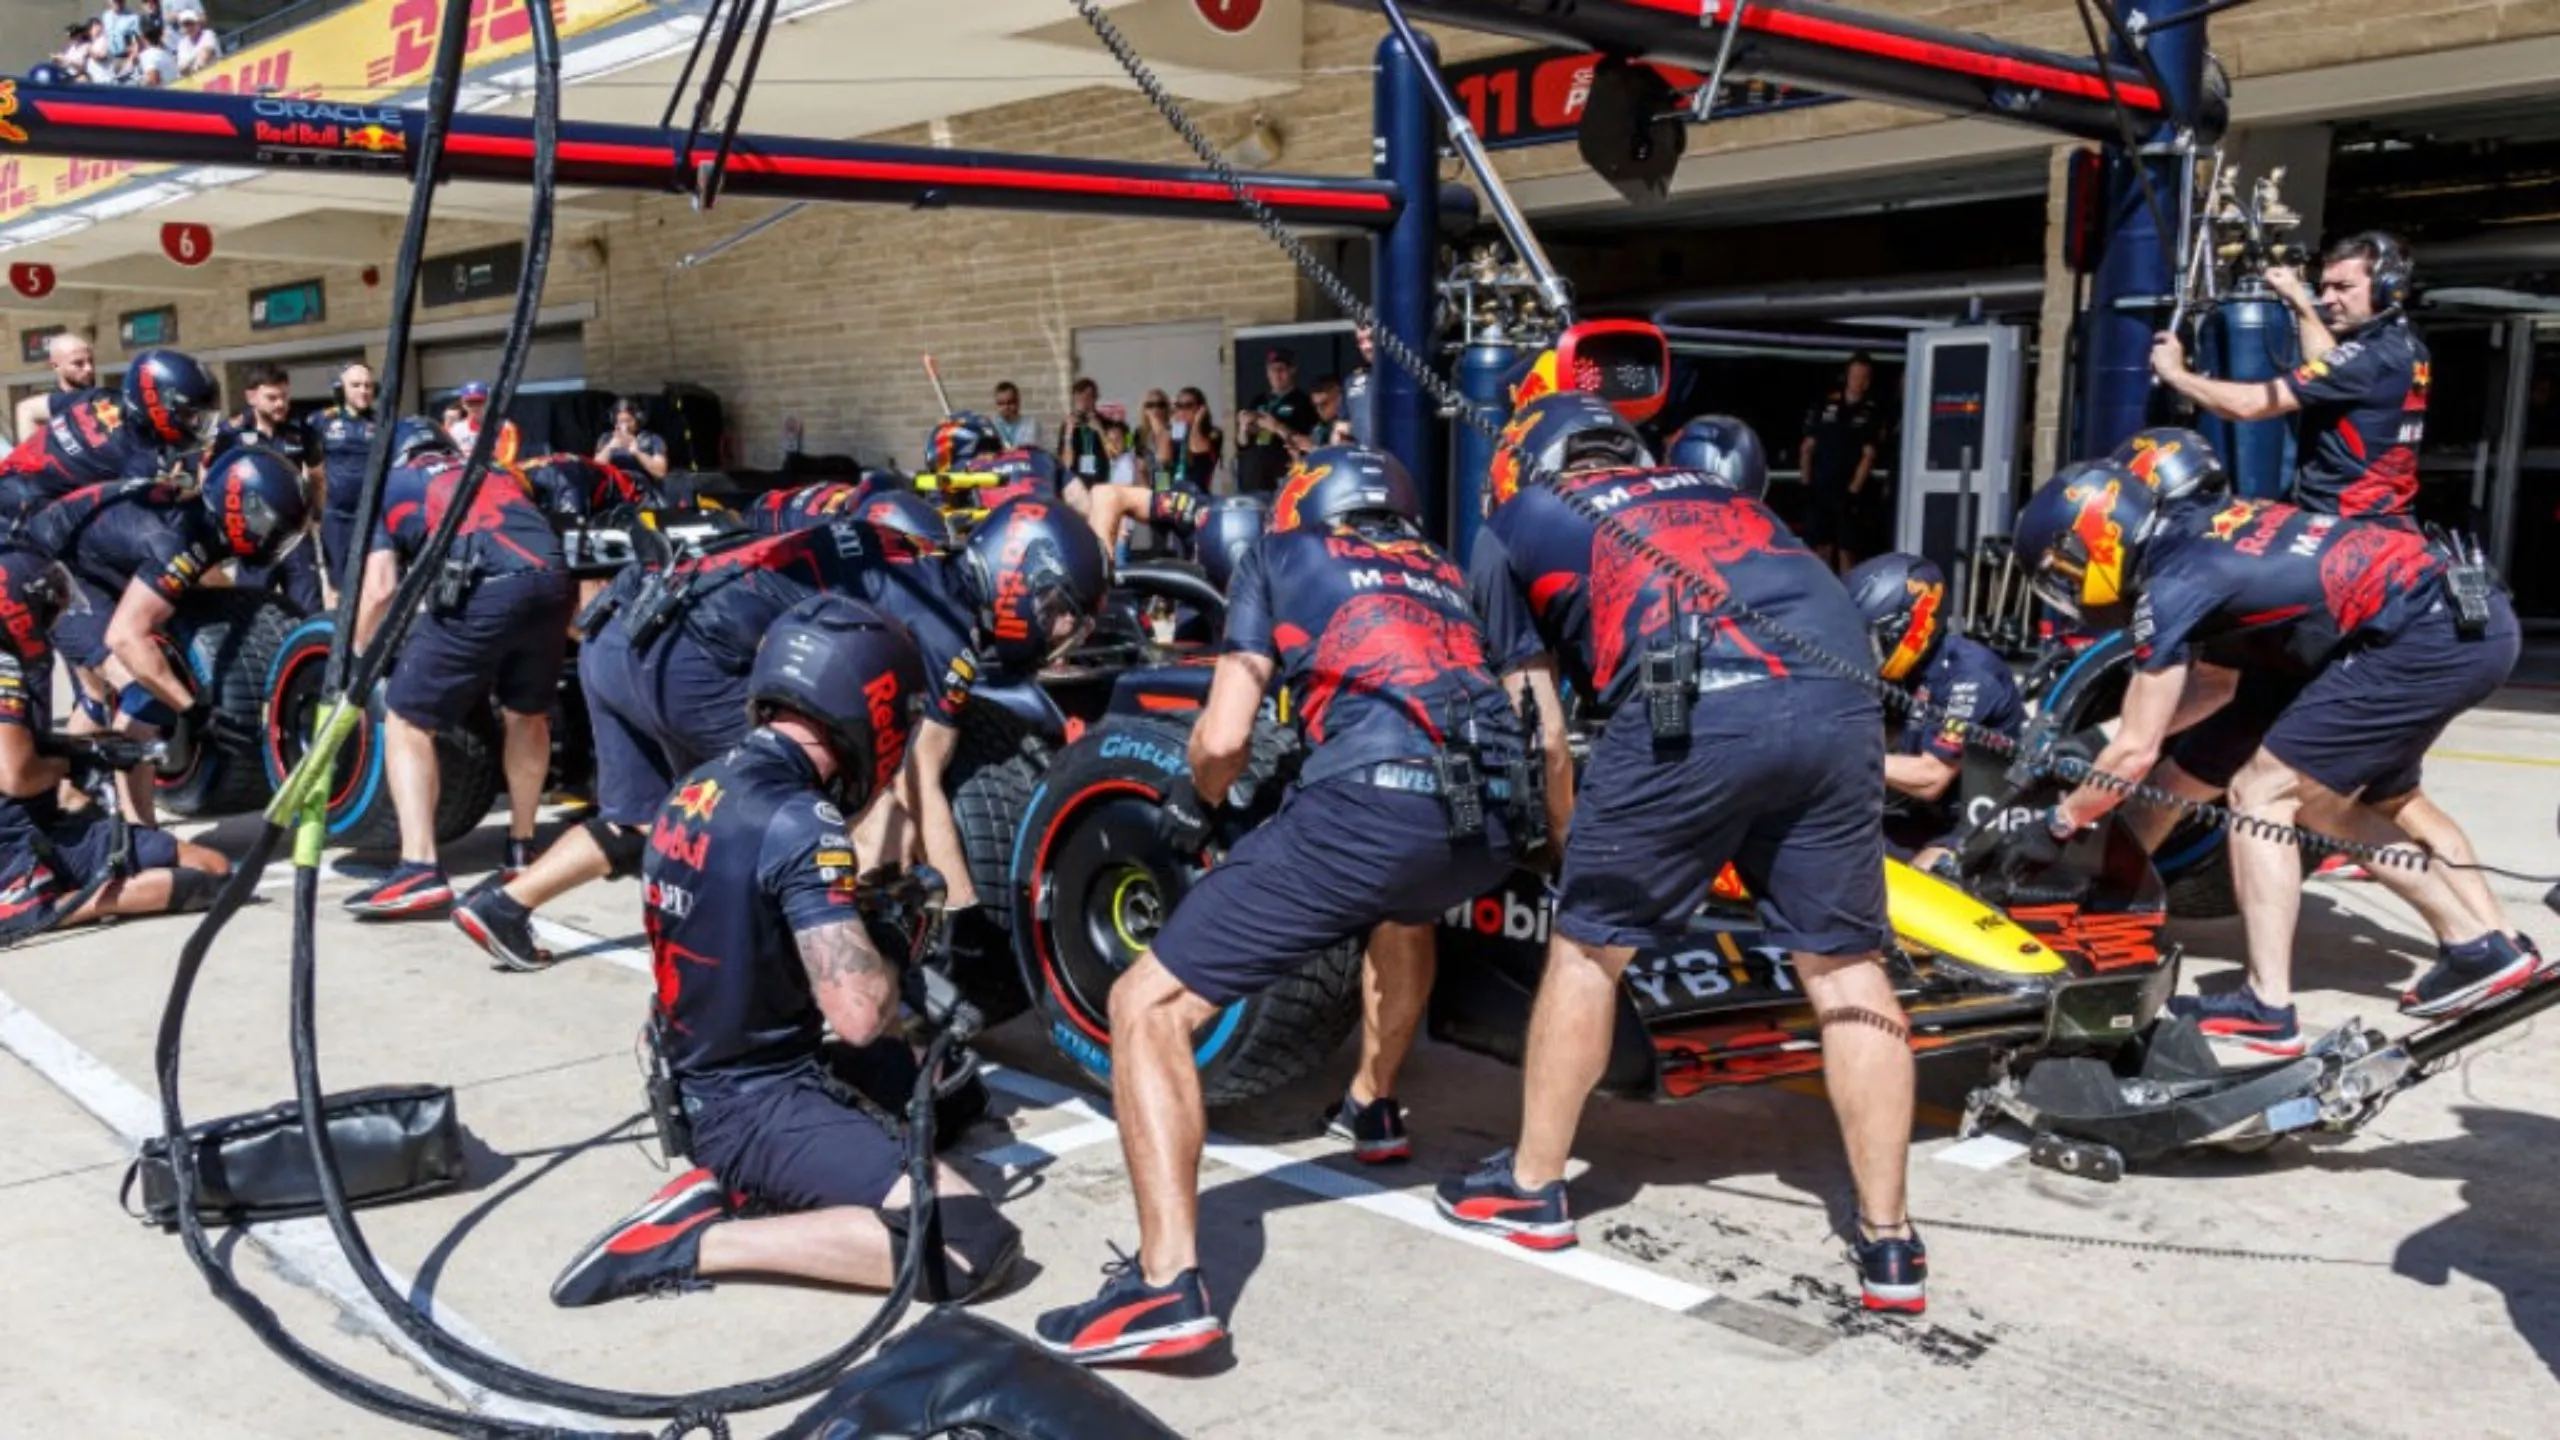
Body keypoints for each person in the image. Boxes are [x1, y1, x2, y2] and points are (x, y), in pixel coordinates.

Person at [1441, 393, 1925, 1314]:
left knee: (1588, 949)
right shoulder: (1727, 497)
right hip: (1840, 699)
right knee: (1848, 967)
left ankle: (1534, 1186)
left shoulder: (1515, 520)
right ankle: (1891, 1242)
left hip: (1692, 701)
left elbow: (1540, 722)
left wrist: (1558, 843)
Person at [1036, 448, 1521, 1364]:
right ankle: (1373, 1107)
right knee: (1400, 906)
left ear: (1305, 504)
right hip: (1489, 825)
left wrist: (1197, 800)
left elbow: (1222, 738)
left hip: (1377, 805)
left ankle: (1163, 1286)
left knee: (1144, 1005)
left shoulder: (1277, 554)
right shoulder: (1444, 570)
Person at [547, 595, 1020, 1308]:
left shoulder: (700, 785)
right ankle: (696, 1237)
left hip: (703, 1071)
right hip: (755, 1102)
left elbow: (743, 919)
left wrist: (860, 918)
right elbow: (858, 1015)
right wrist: (891, 950)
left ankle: (757, 1181)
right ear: (872, 708)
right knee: (970, 1243)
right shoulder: (805, 822)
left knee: (953, 1090)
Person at [451, 499, 1108, 976]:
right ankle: (828, 970)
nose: (1054, 631)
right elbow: (916, 783)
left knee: (648, 820)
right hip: (689, 659)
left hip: (620, 632)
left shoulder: (903, 550)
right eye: (1055, 611)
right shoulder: (946, 623)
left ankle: (506, 904)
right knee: (810, 814)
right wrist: (968, 922)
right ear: (1021, 576)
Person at [2013, 464, 2534, 1057]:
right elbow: (2213, 688)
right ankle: (2480, 946)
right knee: (2326, 808)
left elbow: (2134, 752)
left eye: (2065, 573)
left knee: (2260, 795)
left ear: (2093, 545)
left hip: (2425, 635)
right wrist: (2082, 745)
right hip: (2458, 620)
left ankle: (2267, 1004)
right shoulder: (2201, 528)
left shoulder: (2173, 584)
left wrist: (2059, 823)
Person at [341, 421, 572, 917]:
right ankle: (520, 849)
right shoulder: (493, 469)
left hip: (486, 583)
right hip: (553, 579)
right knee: (525, 713)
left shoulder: (392, 484)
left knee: (407, 719)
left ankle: (419, 868)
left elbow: (380, 588)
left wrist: (358, 659)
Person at [29, 447, 308, 830]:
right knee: (145, 698)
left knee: (96, 702)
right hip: (50, 568)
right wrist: (193, 710)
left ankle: (57, 809)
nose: (273, 538)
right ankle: (139, 830)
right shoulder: (175, 538)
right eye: (269, 525)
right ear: (239, 504)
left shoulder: (200, 524)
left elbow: (199, 582)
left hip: (80, 558)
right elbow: (126, 636)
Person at [0, 547, 229, 934]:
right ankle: (46, 906)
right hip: (16, 844)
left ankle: (41, 897)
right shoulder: (4, 666)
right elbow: (16, 775)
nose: (54, 616)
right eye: (48, 606)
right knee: (206, 878)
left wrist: (86, 749)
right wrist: (73, 764)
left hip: (39, 833)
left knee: (207, 871)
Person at [2151, 232, 2427, 525]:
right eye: (2325, 287)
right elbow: (2329, 366)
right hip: (2386, 519)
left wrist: (2176, 374)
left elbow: (2251, 405)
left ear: (2387, 289)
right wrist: (2298, 302)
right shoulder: (2407, 347)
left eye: (2343, 287)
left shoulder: (2369, 359)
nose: (2328, 299)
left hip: (2345, 526)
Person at [1846, 553, 2022, 873]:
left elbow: (1932, 777)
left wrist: (1838, 757)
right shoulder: (1908, 673)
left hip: (1977, 825)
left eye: (1871, 641)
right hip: (1924, 816)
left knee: (1915, 886)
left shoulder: (1968, 675)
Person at [0, 349, 221, 542]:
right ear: (157, 404)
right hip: (23, 522)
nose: (194, 424)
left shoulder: (98, 397)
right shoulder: (140, 455)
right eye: (188, 415)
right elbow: (135, 521)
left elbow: (29, 408)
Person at [213, 362, 324, 613]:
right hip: (253, 539)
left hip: (295, 535)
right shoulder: (231, 433)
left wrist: (316, 515)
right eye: (272, 397)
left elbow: (317, 475)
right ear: (251, 396)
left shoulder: (300, 429)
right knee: (249, 613)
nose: (280, 404)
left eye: (284, 396)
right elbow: (209, 478)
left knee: (308, 610)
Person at [1798, 352, 1885, 573]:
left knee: (1848, 549)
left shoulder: (1872, 412)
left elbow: (1869, 455)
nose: (1859, 382)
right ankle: (1824, 596)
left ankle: (1849, 598)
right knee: (1820, 547)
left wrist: (1853, 492)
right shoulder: (1825, 404)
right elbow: (1807, 447)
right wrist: (1806, 483)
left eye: (1864, 377)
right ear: (1847, 376)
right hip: (1821, 487)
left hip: (1849, 492)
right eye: (1855, 375)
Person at [311, 361, 381, 592]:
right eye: (356, 385)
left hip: (374, 516)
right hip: (336, 517)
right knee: (340, 584)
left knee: (377, 581)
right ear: (341, 389)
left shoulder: (383, 422)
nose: (364, 391)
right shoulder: (321, 421)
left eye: (368, 385)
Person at [1233, 349, 1317, 496]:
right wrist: (1243, 427)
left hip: (1284, 477)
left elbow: (1306, 443)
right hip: (1253, 478)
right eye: (1273, 369)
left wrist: (1277, 427)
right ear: (1267, 372)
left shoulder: (1303, 402)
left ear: (1292, 370)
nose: (1277, 374)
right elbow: (1242, 445)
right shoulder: (1258, 400)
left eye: (1282, 369)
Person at [13, 333, 95, 449]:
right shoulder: (46, 411)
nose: (89, 369)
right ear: (55, 366)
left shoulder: (101, 400)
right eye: (78, 363)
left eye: (90, 361)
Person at [593, 396, 670, 487]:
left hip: (643, 491)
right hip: (614, 489)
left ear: (638, 421)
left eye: (628, 421)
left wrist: (637, 453)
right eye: (620, 421)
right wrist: (609, 447)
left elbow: (660, 472)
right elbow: (595, 468)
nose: (625, 426)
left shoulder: (652, 439)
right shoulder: (606, 438)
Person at [1058, 378, 1110, 494]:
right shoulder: (1067, 425)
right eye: (1079, 398)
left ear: (1095, 399)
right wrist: (1068, 434)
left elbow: (1114, 455)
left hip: (1100, 479)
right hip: (1077, 482)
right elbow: (1066, 463)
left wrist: (1100, 430)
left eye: (1087, 397)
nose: (1083, 402)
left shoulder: (1106, 423)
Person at [1169, 388, 1221, 492]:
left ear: (1200, 408)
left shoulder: (1213, 433)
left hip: (1198, 494)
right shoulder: (1176, 432)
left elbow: (1196, 449)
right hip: (1174, 495)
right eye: (1179, 406)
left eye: (1188, 406)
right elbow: (1163, 461)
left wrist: (1197, 422)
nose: (1183, 411)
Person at [1342, 326, 1376, 448]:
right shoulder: (1352, 381)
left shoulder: (1410, 373)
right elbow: (1342, 427)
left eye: (1372, 338)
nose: (1367, 346)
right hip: (1367, 461)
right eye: (1360, 341)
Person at [990, 382, 1036, 450]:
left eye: (1010, 402)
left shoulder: (1031, 424)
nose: (1006, 407)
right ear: (996, 405)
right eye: (1001, 404)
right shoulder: (990, 425)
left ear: (1018, 402)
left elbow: (1030, 449)